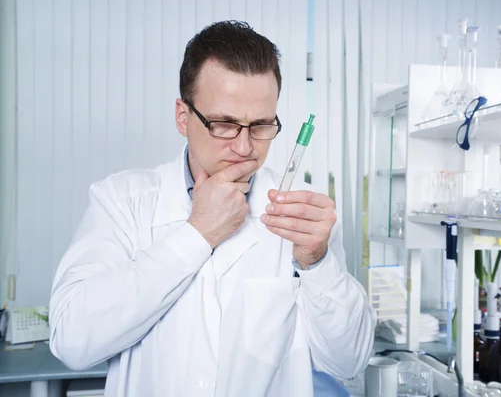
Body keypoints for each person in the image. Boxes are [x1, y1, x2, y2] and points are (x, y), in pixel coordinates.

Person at [49, 20, 376, 397]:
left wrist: (318, 265)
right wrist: (197, 233)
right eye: (224, 124)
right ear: (183, 117)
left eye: (261, 125)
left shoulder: (301, 219)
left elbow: (348, 362)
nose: (244, 147)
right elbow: (71, 340)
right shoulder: (123, 201)